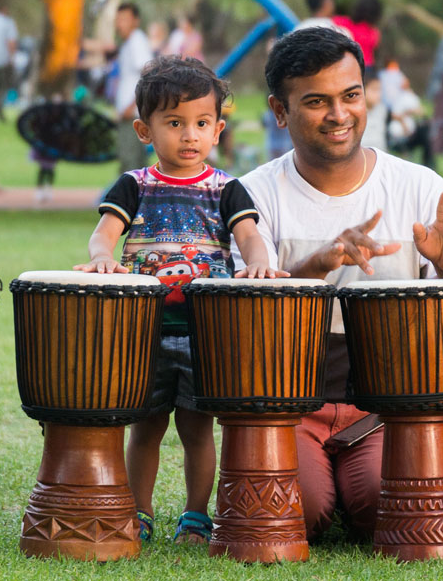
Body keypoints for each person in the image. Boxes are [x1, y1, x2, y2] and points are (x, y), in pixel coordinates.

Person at [236, 27, 443, 542]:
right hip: (286, 406)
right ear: (279, 110)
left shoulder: (419, 186)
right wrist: (313, 267)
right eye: (316, 102)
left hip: (383, 409)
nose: (339, 114)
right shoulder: (251, 195)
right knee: (293, 513)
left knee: (392, 512)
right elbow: (239, 329)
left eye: (350, 96)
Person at [74, 55, 286, 544]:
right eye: (174, 123)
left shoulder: (227, 189)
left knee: (197, 430)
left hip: (202, 331)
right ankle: (139, 513)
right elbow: (102, 235)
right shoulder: (134, 186)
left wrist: (257, 260)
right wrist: (104, 257)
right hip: (144, 331)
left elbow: (250, 238)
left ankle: (195, 515)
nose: (189, 135)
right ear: (145, 130)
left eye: (201, 123)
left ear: (218, 130)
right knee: (145, 428)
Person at [113, 2, 154, 175]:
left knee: (130, 166)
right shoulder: (129, 43)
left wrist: (132, 106)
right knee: (132, 165)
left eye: (124, 19)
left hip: (133, 115)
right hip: (130, 114)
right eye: (118, 19)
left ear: (136, 21)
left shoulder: (137, 40)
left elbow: (149, 75)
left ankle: (130, 202)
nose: (119, 23)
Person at [333, 0, 381, 72]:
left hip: (347, 65)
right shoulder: (373, 32)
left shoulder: (342, 22)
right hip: (367, 67)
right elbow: (375, 45)